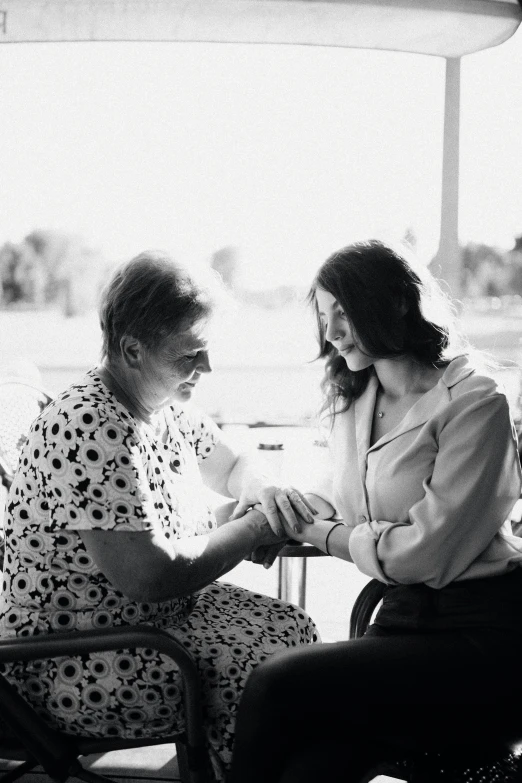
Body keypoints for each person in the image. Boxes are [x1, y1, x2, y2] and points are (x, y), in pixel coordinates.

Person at [0, 251, 319, 782]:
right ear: (132, 350)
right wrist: (255, 527)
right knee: (273, 678)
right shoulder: (91, 424)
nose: (207, 368)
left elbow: (234, 463)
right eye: (191, 354)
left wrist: (262, 491)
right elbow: (152, 574)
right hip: (77, 655)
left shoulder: (161, 404)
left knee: (296, 632)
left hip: (151, 625)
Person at [229, 240, 522, 783]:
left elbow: (424, 554)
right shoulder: (354, 397)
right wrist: (273, 509)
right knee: (306, 770)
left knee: (275, 681)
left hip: (482, 638)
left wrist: (318, 532)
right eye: (324, 315)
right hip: (399, 627)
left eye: (344, 312)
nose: (332, 332)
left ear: (395, 305)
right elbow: (340, 499)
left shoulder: (475, 402)